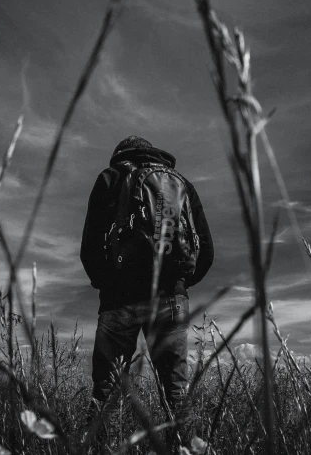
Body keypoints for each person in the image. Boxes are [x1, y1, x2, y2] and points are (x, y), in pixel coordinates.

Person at [80, 135, 214, 450]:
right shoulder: (181, 183)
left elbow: (90, 248)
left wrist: (108, 284)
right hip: (171, 298)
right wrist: (180, 285)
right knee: (176, 392)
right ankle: (182, 451)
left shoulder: (110, 178)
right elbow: (205, 250)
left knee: (106, 391)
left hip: (119, 299)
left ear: (119, 155)